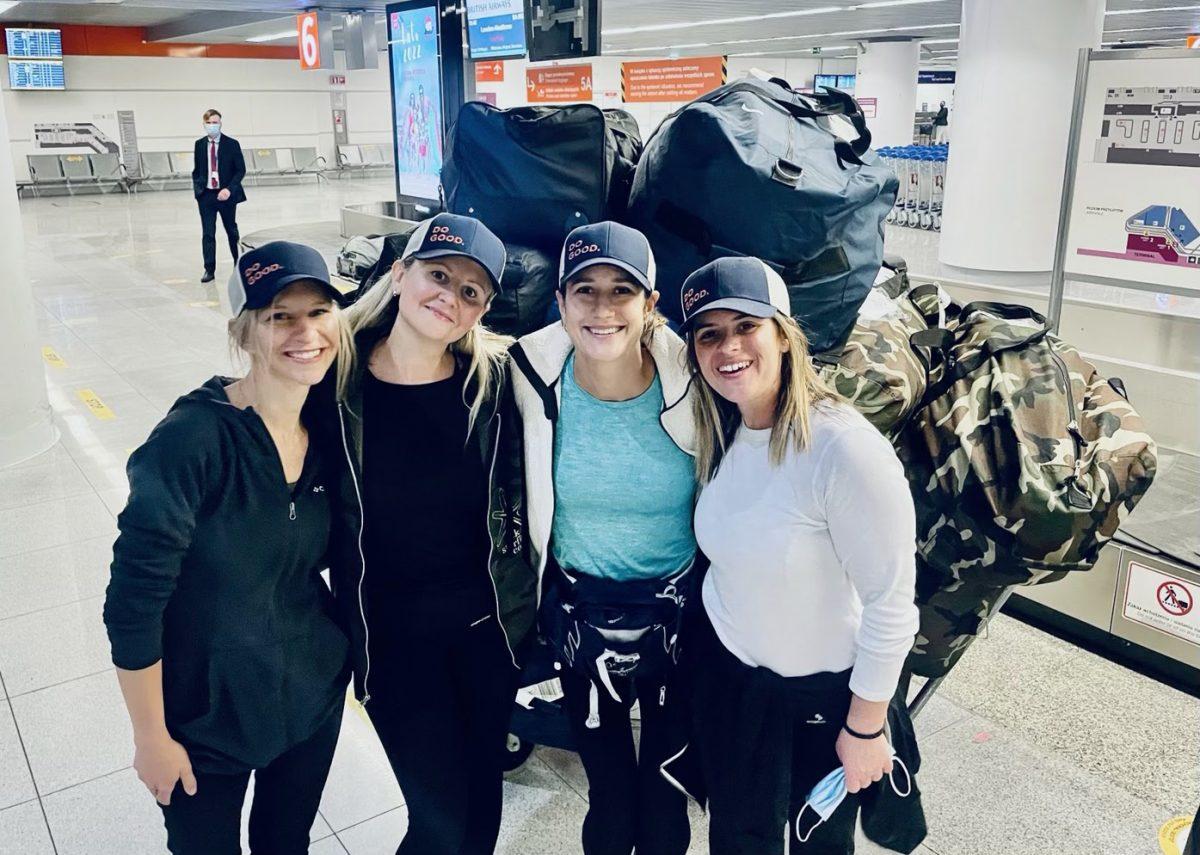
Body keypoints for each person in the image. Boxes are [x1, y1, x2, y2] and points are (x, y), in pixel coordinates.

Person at [103, 241, 354, 855]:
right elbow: (132, 604)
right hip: (202, 721)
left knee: (284, 843)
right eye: (279, 317)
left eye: (319, 312)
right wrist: (150, 738)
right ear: (244, 333)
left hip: (308, 702)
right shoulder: (192, 440)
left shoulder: (327, 428)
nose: (306, 333)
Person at [678, 257, 919, 854]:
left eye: (745, 326)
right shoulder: (728, 431)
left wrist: (864, 728)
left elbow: (892, 604)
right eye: (709, 334)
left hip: (820, 709)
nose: (727, 347)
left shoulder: (843, 450)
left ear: (784, 335)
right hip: (740, 695)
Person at [334, 213, 537, 855]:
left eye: (472, 291)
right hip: (392, 647)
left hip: (486, 638)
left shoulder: (494, 385)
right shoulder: (336, 385)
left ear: (480, 312)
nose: (450, 296)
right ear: (399, 274)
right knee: (439, 823)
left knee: (480, 813)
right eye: (438, 274)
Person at [510, 222, 698, 855]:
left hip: (679, 614)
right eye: (584, 290)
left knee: (666, 788)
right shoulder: (530, 378)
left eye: (622, 290)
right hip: (579, 615)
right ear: (559, 302)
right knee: (610, 792)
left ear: (651, 305)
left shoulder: (695, 383)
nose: (601, 308)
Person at [192, 109, 247, 283]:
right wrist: (198, 190)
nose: (212, 126)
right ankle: (209, 269)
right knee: (208, 233)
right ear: (204, 124)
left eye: (215, 122)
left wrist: (229, 189)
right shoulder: (199, 145)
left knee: (231, 230)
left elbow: (240, 170)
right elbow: (197, 170)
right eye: (209, 123)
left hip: (226, 195)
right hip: (206, 195)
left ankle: (238, 264)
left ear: (220, 123)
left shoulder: (232, 144)